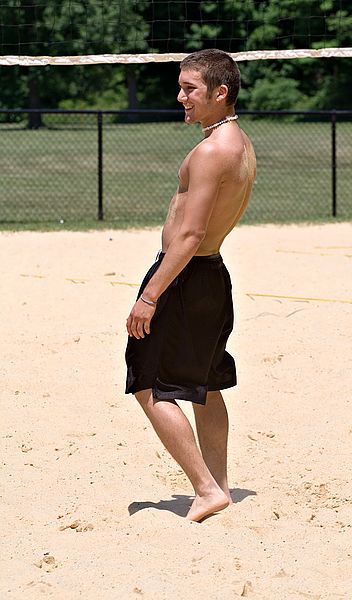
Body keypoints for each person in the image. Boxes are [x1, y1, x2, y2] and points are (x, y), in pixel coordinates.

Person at [125, 48, 256, 522]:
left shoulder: (211, 152)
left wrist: (149, 295)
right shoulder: (238, 143)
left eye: (190, 89)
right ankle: (219, 483)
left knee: (145, 380)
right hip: (211, 275)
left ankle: (204, 488)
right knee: (206, 383)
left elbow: (191, 233)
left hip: (185, 275)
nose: (180, 96)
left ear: (220, 93)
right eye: (180, 87)